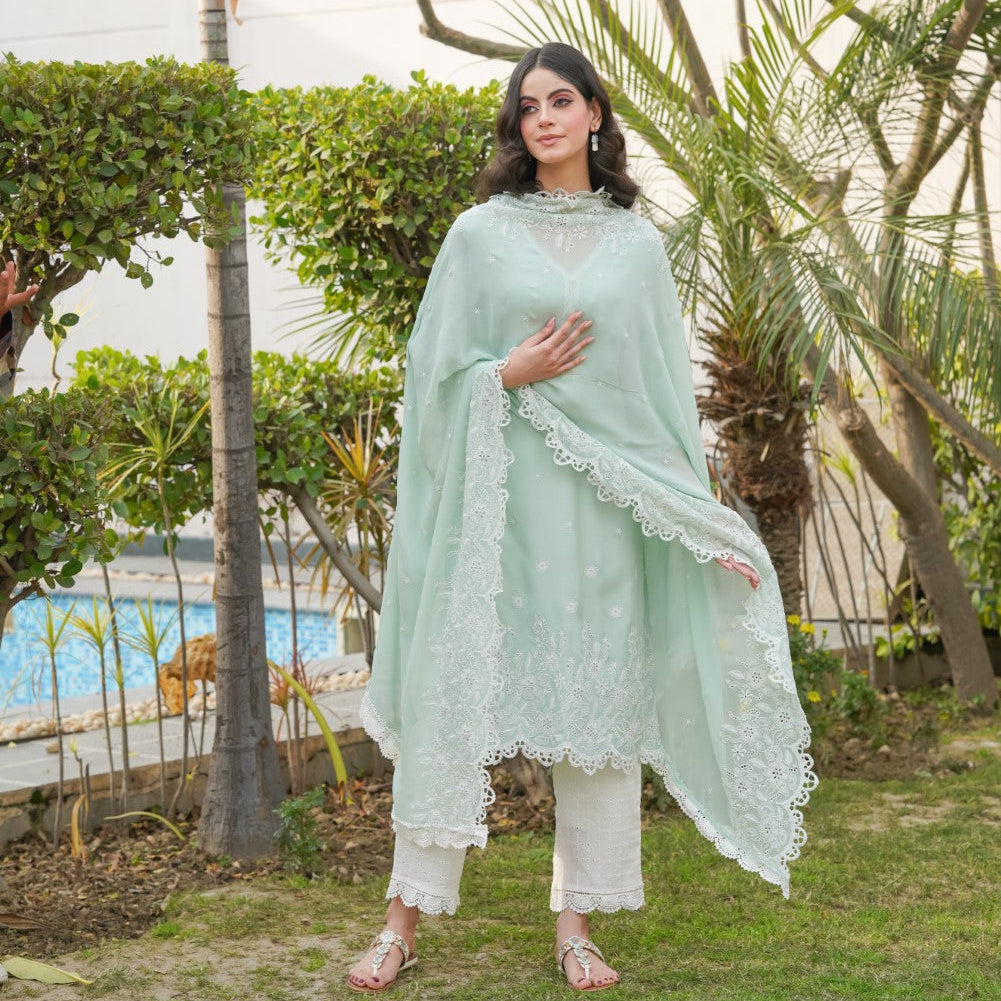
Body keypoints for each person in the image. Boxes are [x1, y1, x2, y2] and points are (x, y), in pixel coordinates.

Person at [348, 42, 816, 993]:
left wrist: (698, 519)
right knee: (450, 705)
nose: (544, 120)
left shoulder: (636, 245)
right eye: (527, 108)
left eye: (560, 101)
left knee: (595, 720)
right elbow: (430, 372)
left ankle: (577, 927)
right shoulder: (478, 234)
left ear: (595, 113)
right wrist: (503, 374)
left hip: (598, 518)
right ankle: (400, 922)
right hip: (493, 512)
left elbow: (658, 399)